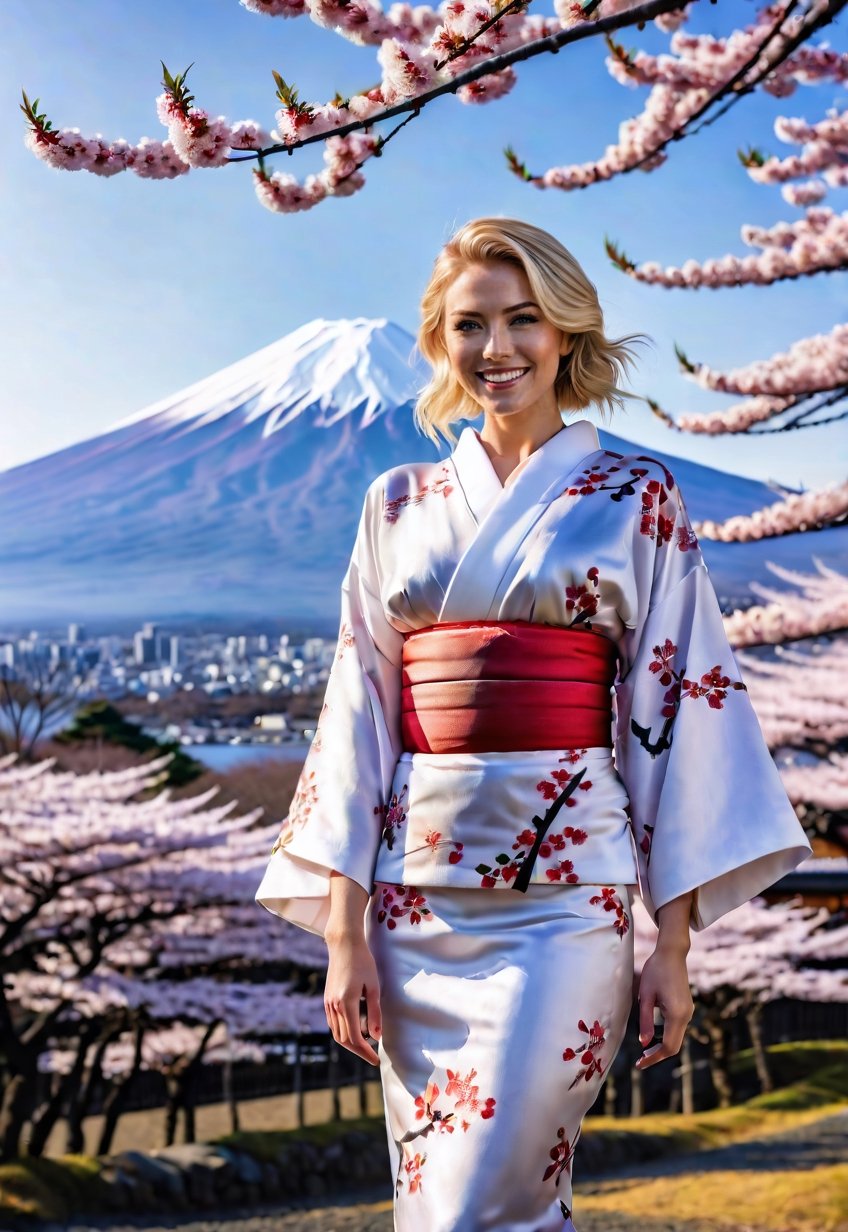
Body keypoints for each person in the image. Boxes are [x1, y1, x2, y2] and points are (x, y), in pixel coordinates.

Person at [256, 216, 812, 1231]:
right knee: (437, 1206)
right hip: (413, 902)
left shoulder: (635, 495)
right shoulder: (395, 502)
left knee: (488, 1198)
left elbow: (675, 708)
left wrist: (672, 943)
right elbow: (355, 720)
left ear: (564, 334)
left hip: (567, 901)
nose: (496, 347)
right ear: (438, 339)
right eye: (469, 324)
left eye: (523, 319)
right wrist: (343, 930)